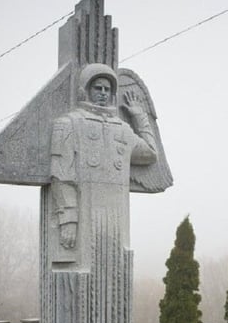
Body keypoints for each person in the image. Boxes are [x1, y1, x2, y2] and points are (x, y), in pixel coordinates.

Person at [48, 63, 157, 266]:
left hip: (117, 220)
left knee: (114, 267)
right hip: (84, 218)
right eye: (98, 88)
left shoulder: (122, 129)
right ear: (86, 90)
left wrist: (139, 117)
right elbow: (61, 176)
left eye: (107, 89)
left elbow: (150, 154)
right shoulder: (69, 123)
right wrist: (68, 220)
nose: (103, 93)